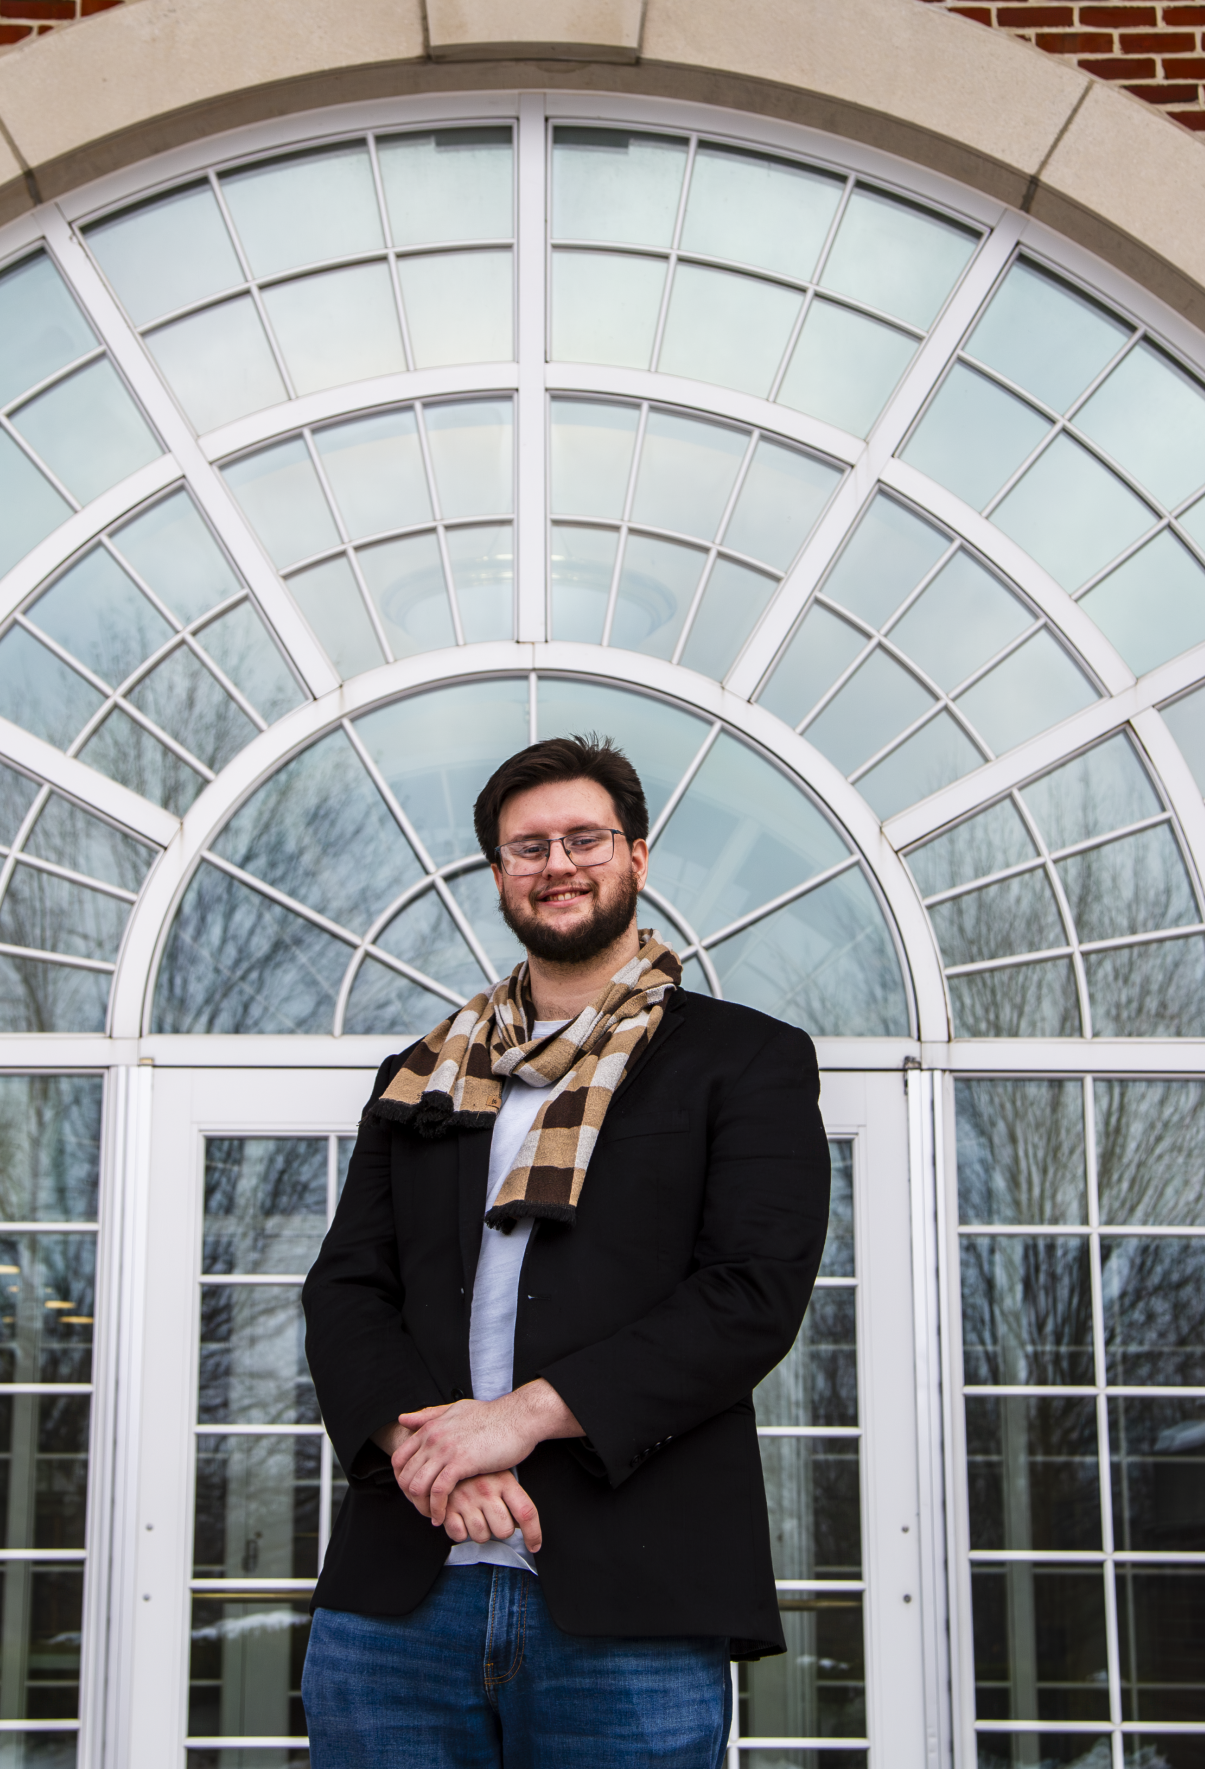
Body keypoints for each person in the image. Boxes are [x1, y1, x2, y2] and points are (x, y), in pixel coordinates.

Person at [299, 733, 831, 1767]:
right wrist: (435, 1462)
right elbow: (346, 1290)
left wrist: (512, 1421)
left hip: (628, 1600)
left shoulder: (744, 1060)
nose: (558, 864)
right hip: (404, 1586)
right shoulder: (422, 1073)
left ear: (637, 854)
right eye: (528, 846)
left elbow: (748, 1295)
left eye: (583, 837)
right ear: (499, 874)